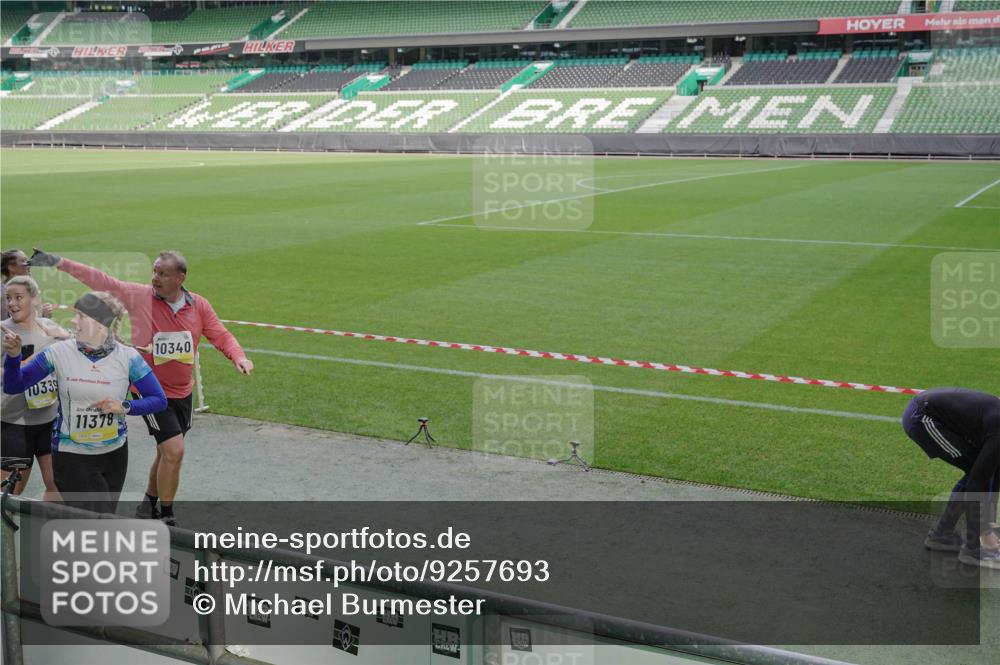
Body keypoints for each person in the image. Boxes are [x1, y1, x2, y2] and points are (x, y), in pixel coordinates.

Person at [29, 248, 253, 525]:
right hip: (150, 393)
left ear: (180, 278)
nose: (155, 277)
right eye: (154, 271)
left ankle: (148, 503)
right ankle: (166, 515)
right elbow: (102, 281)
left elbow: (220, 333)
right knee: (174, 450)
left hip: (183, 392)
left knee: (165, 452)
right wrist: (58, 263)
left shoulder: (199, 306)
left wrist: (238, 356)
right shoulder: (139, 296)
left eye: (163, 273)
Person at [3, 291, 166, 515]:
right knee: (98, 520)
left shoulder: (128, 358)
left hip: (115, 454)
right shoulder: (58, 353)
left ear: (100, 323)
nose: (73, 321)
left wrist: (125, 407)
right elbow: (14, 386)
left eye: (80, 315)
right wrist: (13, 358)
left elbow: (159, 400)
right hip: (71, 455)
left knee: (100, 520)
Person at [902, 387, 1000, 569]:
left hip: (931, 410)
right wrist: (985, 532)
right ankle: (973, 550)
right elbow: (977, 484)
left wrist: (989, 518)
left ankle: (941, 535)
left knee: (983, 469)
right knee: (976, 473)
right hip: (923, 418)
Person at [1, 276, 70, 500]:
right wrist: (20, 367)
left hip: (48, 421)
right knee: (10, 493)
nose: (11, 303)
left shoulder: (50, 328)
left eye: (18, 297)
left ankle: (51, 533)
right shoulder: (3, 331)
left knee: (58, 485)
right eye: (8, 298)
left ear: (35, 299)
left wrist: (67, 338)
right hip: (14, 424)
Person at [2, 249, 53, 320]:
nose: (30, 264)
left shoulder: (29, 286)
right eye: (24, 261)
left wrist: (45, 315)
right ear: (11, 268)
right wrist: (42, 316)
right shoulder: (4, 293)